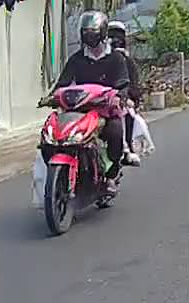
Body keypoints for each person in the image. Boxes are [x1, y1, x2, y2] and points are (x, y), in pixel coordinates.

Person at [49, 10, 129, 192]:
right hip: (78, 110)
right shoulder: (76, 59)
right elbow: (63, 82)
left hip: (105, 110)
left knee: (115, 132)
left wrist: (119, 96)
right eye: (85, 32)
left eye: (93, 32)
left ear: (103, 32)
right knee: (53, 137)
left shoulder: (116, 58)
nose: (89, 36)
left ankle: (112, 174)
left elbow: (123, 83)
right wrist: (52, 96)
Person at [106, 20, 143, 166]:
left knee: (127, 114)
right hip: (101, 97)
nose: (115, 39)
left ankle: (127, 148)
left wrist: (130, 97)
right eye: (111, 35)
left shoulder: (127, 60)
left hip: (121, 98)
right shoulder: (100, 58)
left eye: (117, 35)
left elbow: (133, 82)